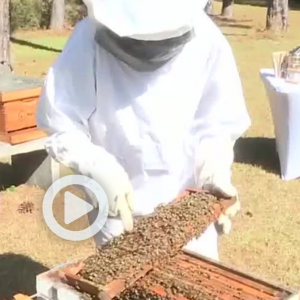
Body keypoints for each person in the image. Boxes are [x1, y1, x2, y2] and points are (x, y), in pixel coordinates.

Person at [36, 0, 251, 262]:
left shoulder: (207, 39)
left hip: (187, 207)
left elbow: (217, 121)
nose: (146, 48)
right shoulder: (87, 39)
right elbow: (61, 120)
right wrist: (97, 165)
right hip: (117, 211)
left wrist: (213, 170)